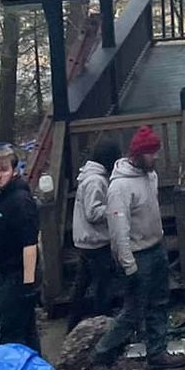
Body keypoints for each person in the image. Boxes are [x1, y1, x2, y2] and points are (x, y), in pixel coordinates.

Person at [91, 125, 180, 370]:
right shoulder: (119, 187)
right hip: (137, 254)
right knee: (132, 311)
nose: (156, 157)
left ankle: (157, 351)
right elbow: (119, 229)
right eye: (152, 153)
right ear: (138, 154)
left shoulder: (150, 175)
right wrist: (127, 264)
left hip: (156, 246)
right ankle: (100, 356)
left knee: (159, 302)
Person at [0, 147, 40, 350]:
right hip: (4, 271)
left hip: (20, 274)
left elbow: (30, 244)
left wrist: (28, 284)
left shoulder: (20, 201)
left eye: (4, 170)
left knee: (10, 333)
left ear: (14, 171)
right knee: (27, 331)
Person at [68, 136, 120, 324]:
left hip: (87, 241)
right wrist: (114, 209)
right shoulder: (96, 181)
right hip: (96, 242)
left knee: (82, 285)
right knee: (102, 286)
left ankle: (73, 322)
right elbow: (92, 212)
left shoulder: (89, 176)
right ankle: (102, 322)